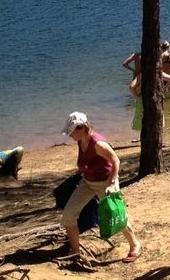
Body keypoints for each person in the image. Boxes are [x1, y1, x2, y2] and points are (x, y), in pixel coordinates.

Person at [60, 112, 141, 264]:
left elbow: (115, 160)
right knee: (68, 215)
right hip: (88, 181)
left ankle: (135, 245)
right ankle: (75, 252)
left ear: (81, 128)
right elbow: (88, 161)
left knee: (117, 214)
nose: (69, 135)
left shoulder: (98, 144)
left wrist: (111, 183)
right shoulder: (80, 140)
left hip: (105, 182)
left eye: (71, 131)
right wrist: (80, 172)